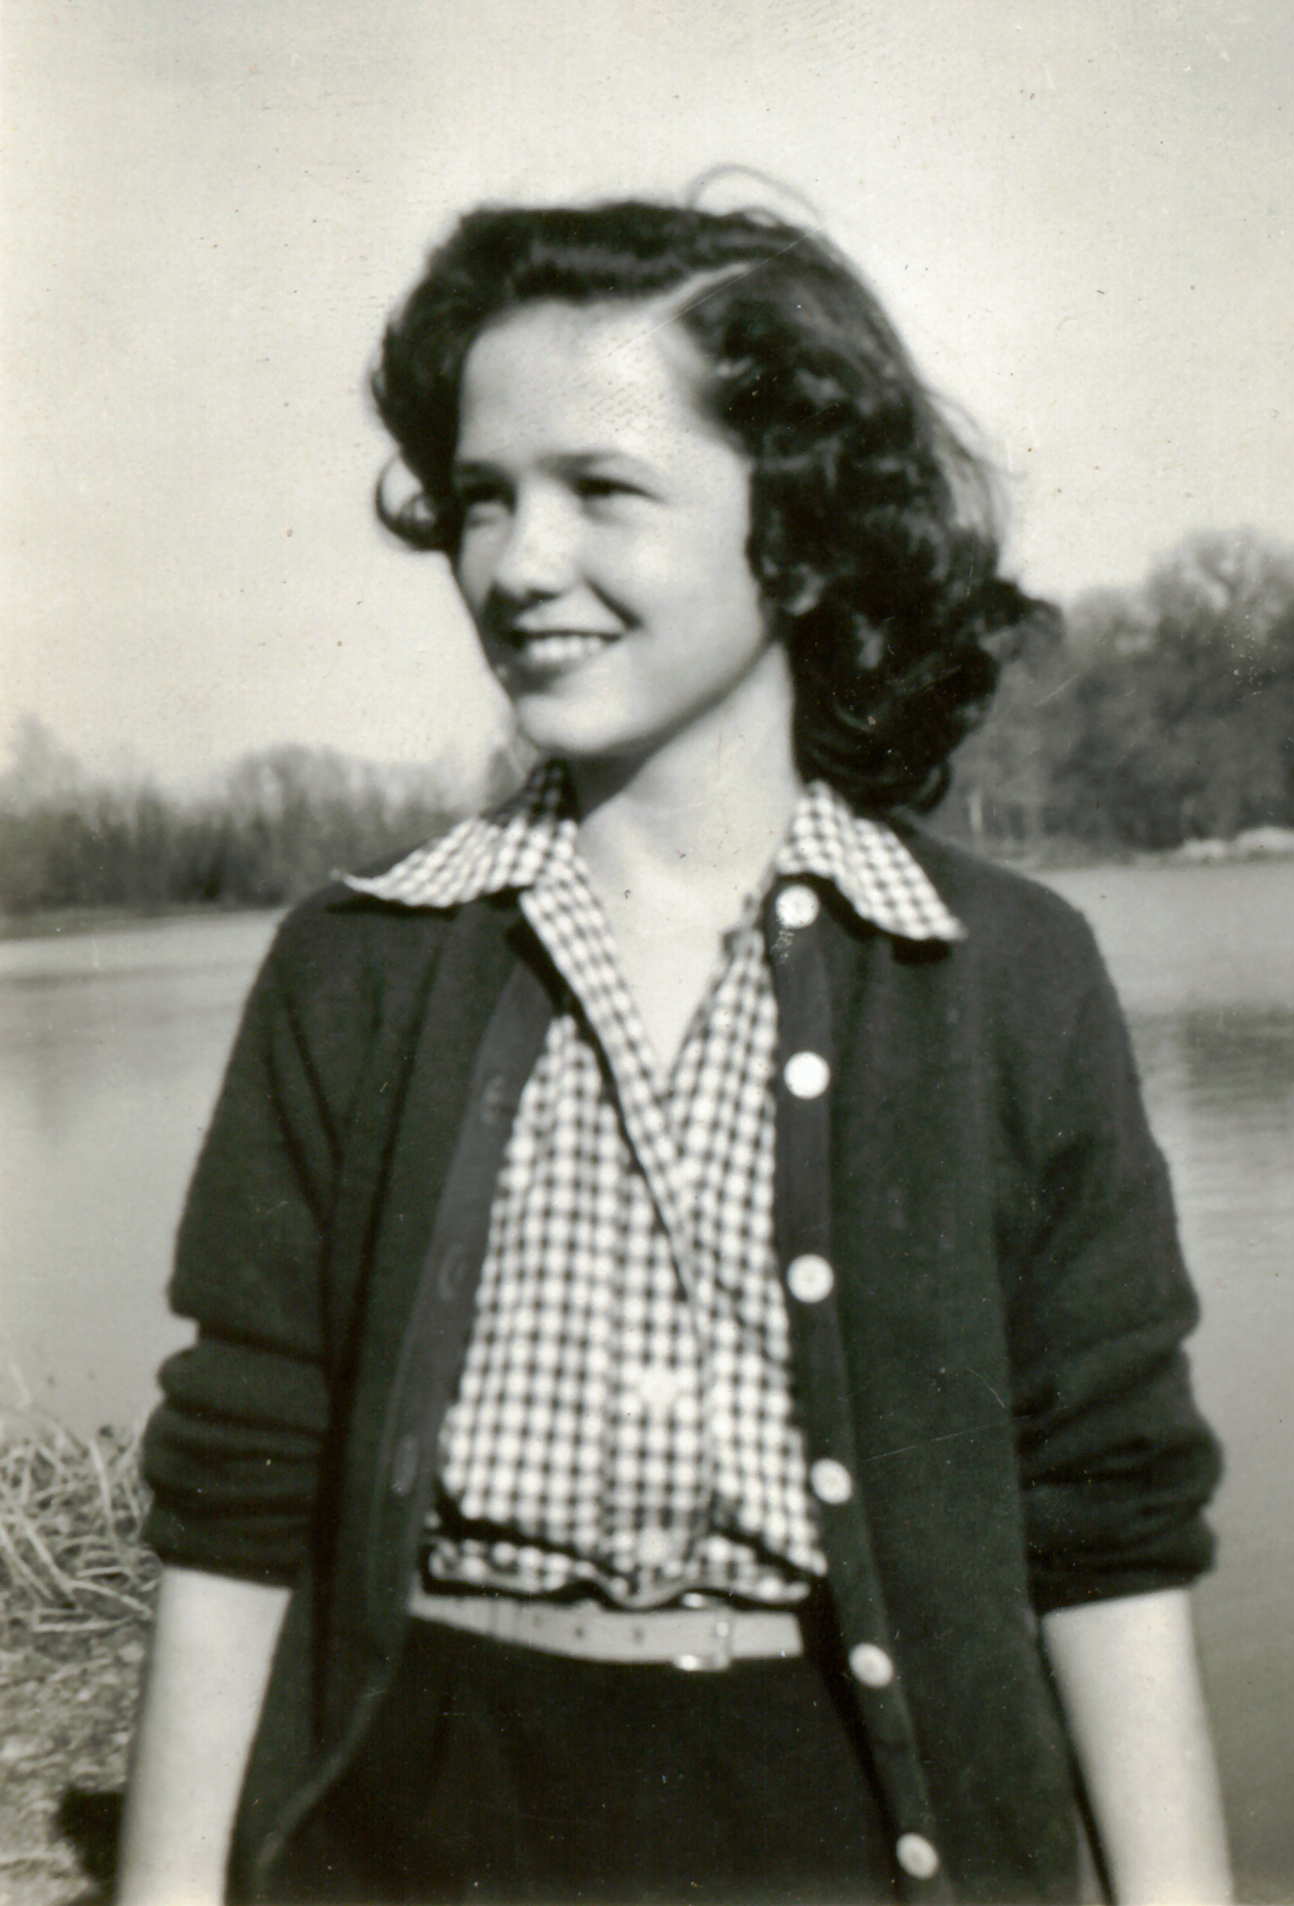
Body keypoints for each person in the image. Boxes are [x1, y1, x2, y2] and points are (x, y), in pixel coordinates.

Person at [117, 197, 1231, 1906]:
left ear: (793, 535)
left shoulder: (1005, 977)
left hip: (854, 1827)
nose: (516, 561)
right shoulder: (356, 970)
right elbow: (237, 1485)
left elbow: (1107, 1513)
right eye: (483, 496)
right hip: (417, 1830)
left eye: (603, 488)